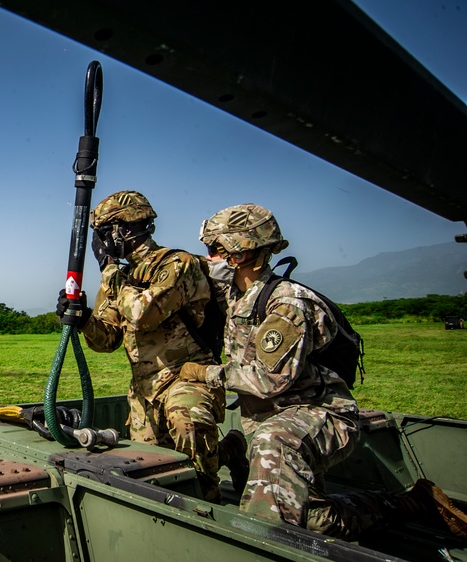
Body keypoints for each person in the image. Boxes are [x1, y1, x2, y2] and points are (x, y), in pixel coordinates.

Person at [179, 203, 467, 539]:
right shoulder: (237, 298)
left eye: (214, 250)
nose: (208, 258)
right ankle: (409, 504)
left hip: (321, 416)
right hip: (278, 418)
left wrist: (204, 374)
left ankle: (267, 543)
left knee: (271, 499)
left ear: (239, 255)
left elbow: (268, 379)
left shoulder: (286, 303)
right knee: (311, 520)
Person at [56, 190, 234, 502]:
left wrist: (109, 271)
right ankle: (230, 450)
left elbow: (142, 314)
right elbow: (108, 339)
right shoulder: (120, 277)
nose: (100, 243)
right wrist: (84, 318)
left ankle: (210, 508)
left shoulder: (177, 264)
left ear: (123, 230)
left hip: (187, 377)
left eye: (103, 234)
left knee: (189, 435)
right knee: (152, 472)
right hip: (144, 388)